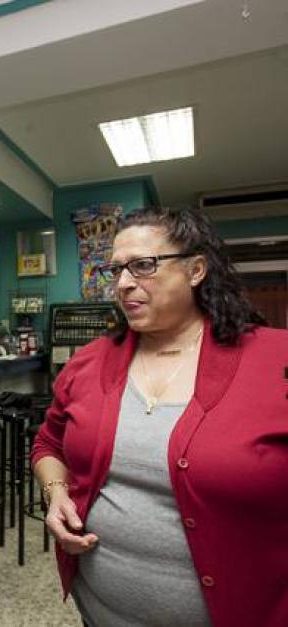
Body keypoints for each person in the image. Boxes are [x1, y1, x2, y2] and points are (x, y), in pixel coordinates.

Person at [31, 206, 288, 626]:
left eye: (144, 266)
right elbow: (50, 441)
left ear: (196, 270)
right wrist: (56, 492)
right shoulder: (89, 362)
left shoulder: (276, 359)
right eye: (116, 270)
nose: (125, 283)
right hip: (99, 612)